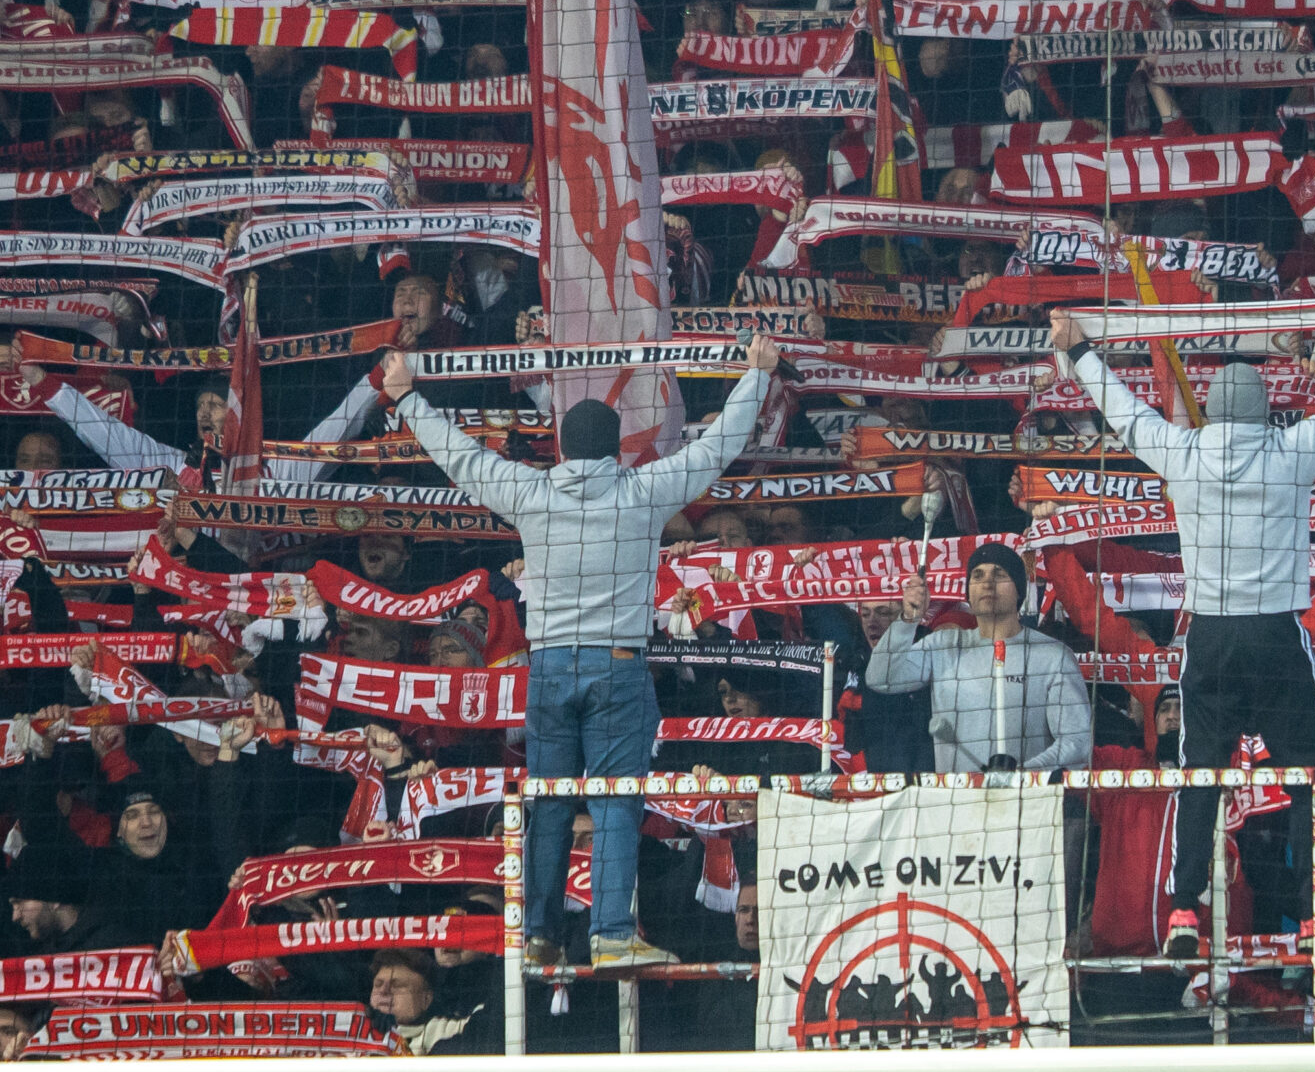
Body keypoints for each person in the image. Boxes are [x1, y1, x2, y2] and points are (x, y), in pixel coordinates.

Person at [1045, 293, 1315, 957]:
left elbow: (1123, 412)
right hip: (1273, 635)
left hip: (1209, 638)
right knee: (1304, 777)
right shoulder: (1291, 451)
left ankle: (1181, 911)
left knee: (1199, 773)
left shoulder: (1182, 453)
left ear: (1213, 407)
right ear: (1265, 409)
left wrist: (1077, 347)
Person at [377, 336, 786, 970]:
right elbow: (718, 447)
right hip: (617, 669)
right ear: (618, 444)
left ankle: (539, 930)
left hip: (546, 671)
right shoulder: (645, 491)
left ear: (564, 448)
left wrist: (405, 394)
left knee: (549, 797)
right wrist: (756, 378)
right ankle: (613, 932)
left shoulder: (529, 493)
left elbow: (458, 455)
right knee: (616, 798)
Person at [866, 543, 1091, 774]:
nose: (987, 583)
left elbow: (1077, 744)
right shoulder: (944, 645)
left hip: (1025, 802)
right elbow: (881, 679)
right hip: (955, 803)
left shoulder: (1053, 656)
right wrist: (907, 621)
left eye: (999, 574)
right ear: (968, 593)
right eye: (978, 575)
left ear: (1019, 591)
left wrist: (1022, 775)